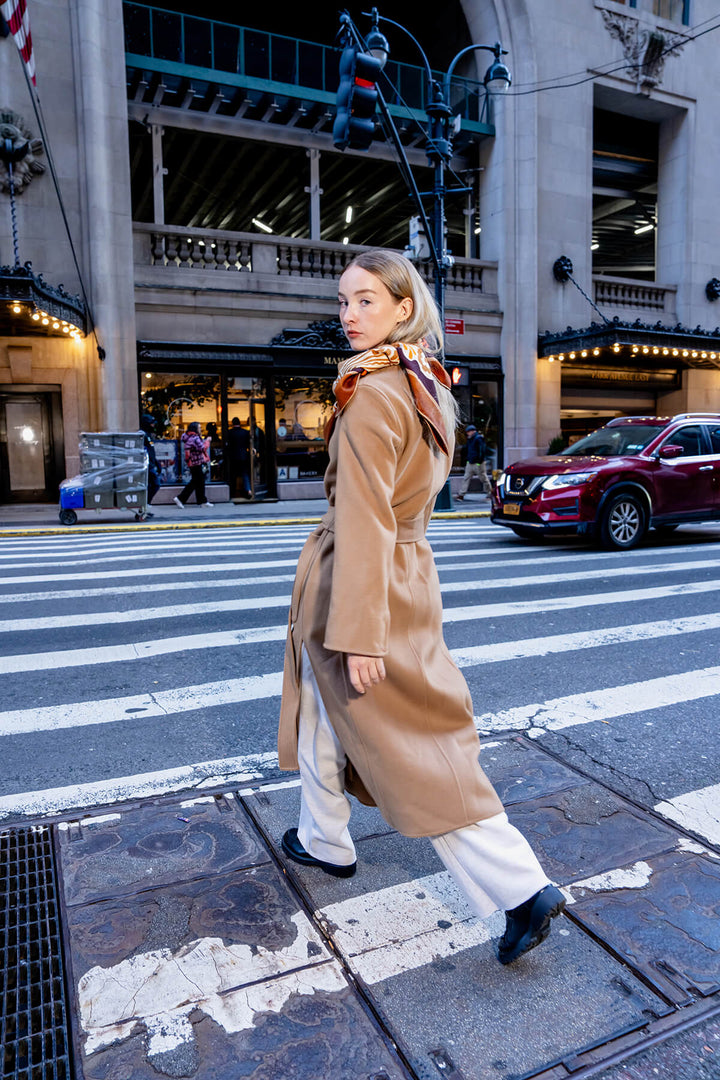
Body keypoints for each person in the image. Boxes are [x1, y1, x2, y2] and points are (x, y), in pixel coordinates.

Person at [277, 249, 565, 966]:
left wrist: (361, 635)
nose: (349, 315)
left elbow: (370, 516)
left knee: (415, 745)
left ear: (405, 307)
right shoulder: (423, 379)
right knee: (321, 709)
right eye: (344, 300)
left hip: (364, 583)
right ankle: (324, 840)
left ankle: (522, 888)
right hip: (394, 576)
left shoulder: (376, 391)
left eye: (367, 300)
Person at [173, 421, 213, 508]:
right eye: (199, 427)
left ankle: (202, 501)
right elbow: (203, 448)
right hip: (196, 462)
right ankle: (180, 498)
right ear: (195, 429)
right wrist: (208, 441)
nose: (200, 429)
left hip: (193, 462)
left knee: (199, 481)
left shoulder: (188, 437)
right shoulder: (194, 438)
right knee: (195, 482)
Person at [456, 423, 492, 500]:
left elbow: (482, 451)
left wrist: (479, 461)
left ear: (473, 431)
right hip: (470, 462)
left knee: (483, 478)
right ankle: (461, 494)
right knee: (466, 478)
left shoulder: (478, 439)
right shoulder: (470, 439)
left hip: (478, 463)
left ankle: (490, 493)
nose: (467, 433)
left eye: (468, 431)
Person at [139, 413, 160, 519]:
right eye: (151, 424)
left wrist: (156, 463)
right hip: (147, 466)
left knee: (151, 486)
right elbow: (142, 452)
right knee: (155, 484)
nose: (153, 426)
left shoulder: (147, 435)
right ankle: (145, 506)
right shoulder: (141, 435)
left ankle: (144, 507)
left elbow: (151, 451)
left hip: (151, 464)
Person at [226, 416, 252, 500]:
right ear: (239, 423)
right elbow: (249, 444)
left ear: (232, 423)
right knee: (245, 474)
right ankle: (248, 490)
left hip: (233, 457)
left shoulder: (229, 433)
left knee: (233, 475)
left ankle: (232, 492)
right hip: (244, 456)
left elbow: (227, 445)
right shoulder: (245, 432)